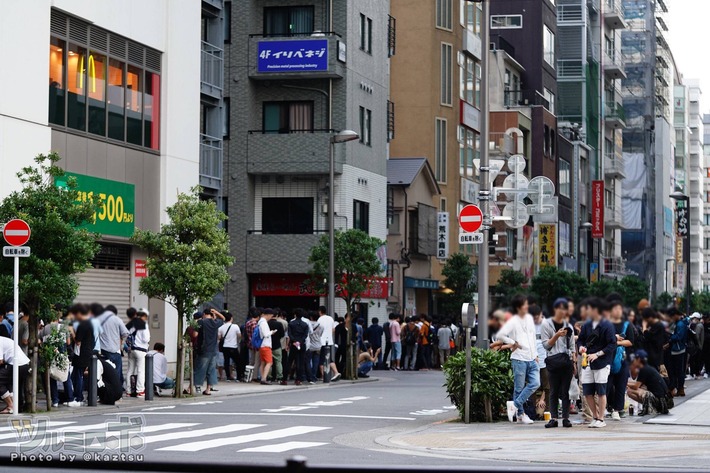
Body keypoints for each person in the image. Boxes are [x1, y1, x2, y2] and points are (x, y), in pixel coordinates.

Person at [498, 294, 540, 425]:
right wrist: (513, 342)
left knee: (536, 383)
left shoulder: (529, 318)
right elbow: (500, 335)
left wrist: (536, 354)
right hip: (519, 358)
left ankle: (514, 405)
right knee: (519, 388)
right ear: (518, 307)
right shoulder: (513, 321)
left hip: (532, 358)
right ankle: (521, 414)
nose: (527, 306)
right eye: (524, 304)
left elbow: (533, 337)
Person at [577, 298, 617, 428]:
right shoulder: (587, 325)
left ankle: (601, 418)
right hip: (587, 360)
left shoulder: (607, 325)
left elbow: (612, 344)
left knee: (601, 391)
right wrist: (580, 347)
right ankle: (595, 416)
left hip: (602, 362)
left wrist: (598, 354)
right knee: (587, 391)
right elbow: (581, 340)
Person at [541, 298, 575, 428]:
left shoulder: (569, 326)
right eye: (560, 308)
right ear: (555, 309)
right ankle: (553, 418)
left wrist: (574, 362)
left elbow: (572, 346)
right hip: (553, 361)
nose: (563, 311)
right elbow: (546, 345)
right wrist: (556, 335)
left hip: (566, 362)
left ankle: (566, 418)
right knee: (553, 390)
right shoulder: (546, 324)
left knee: (565, 391)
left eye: (565, 308)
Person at [606, 296, 635, 421]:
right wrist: (614, 338)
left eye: (620, 308)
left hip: (622, 359)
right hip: (607, 359)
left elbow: (631, 341)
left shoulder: (627, 325)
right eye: (615, 308)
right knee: (607, 385)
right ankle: (610, 407)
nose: (618, 311)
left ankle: (617, 410)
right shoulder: (606, 324)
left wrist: (617, 343)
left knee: (620, 385)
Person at [627, 350, 673, 415]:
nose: (633, 361)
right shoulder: (648, 368)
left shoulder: (643, 370)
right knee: (640, 389)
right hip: (664, 400)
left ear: (639, 359)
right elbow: (639, 385)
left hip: (659, 401)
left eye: (634, 359)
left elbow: (636, 386)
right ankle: (650, 406)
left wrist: (625, 384)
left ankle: (651, 407)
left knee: (630, 391)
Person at [95, 304, 129, 392]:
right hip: (115, 351)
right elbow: (125, 333)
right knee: (116, 373)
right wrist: (120, 340)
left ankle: (105, 390)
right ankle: (116, 391)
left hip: (103, 351)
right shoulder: (117, 319)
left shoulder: (98, 319)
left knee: (104, 372)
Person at [193, 308, 224, 394]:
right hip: (213, 350)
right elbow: (223, 318)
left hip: (204, 349)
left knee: (200, 369)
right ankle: (208, 389)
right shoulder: (215, 323)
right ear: (212, 314)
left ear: (204, 314)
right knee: (211, 370)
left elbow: (195, 334)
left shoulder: (201, 322)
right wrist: (216, 312)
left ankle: (197, 386)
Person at [0, 335, 30, 414]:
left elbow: (0, 361)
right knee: (13, 384)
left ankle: (11, 405)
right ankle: (17, 407)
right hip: (24, 364)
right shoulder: (4, 340)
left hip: (16, 364)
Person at [70, 303, 92, 406]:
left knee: (78, 375)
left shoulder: (83, 325)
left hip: (81, 353)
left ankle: (78, 397)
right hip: (86, 352)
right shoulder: (89, 323)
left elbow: (78, 341)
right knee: (77, 375)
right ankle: (78, 396)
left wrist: (72, 333)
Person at [127, 308, 151, 397]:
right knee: (141, 370)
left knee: (130, 370)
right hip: (141, 350)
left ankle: (129, 391)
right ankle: (140, 390)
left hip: (131, 349)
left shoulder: (131, 323)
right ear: (144, 316)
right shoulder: (143, 324)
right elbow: (146, 339)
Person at [531, 304, 549, 421]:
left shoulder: (546, 324)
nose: (535, 320)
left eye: (536, 317)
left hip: (545, 358)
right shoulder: (528, 324)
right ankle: (533, 408)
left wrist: (542, 399)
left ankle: (545, 408)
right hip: (532, 357)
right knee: (532, 384)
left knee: (547, 384)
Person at [667, 308, 689, 397]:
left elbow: (678, 337)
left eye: (672, 316)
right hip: (680, 349)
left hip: (678, 349)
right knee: (679, 370)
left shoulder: (680, 324)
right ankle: (680, 388)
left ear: (675, 315)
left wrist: (671, 337)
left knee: (678, 370)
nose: (672, 318)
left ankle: (680, 389)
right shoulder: (682, 323)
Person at [317, 306, 341, 382]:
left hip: (322, 342)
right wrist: (329, 335)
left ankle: (324, 376)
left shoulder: (320, 319)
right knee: (328, 358)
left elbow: (318, 330)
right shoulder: (330, 318)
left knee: (322, 360)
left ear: (320, 311)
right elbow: (333, 329)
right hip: (329, 341)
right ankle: (334, 373)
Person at [287, 308, 310, 385]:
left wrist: (294, 341)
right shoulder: (305, 324)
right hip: (302, 344)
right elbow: (305, 335)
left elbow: (289, 334)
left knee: (290, 361)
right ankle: (298, 379)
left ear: (295, 315)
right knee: (300, 362)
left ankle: (284, 379)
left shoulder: (291, 323)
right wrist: (300, 342)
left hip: (293, 344)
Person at [218, 312, 241, 381]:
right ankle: (238, 377)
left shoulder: (221, 328)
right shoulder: (235, 326)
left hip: (225, 347)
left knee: (226, 362)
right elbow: (239, 335)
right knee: (238, 362)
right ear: (231, 318)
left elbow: (219, 337)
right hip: (233, 346)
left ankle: (228, 377)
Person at [257, 309, 277, 385]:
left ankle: (262, 377)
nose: (271, 318)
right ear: (268, 314)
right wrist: (272, 332)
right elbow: (266, 334)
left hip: (261, 345)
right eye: (271, 316)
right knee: (269, 362)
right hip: (265, 345)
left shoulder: (260, 322)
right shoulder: (264, 323)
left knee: (263, 362)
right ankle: (264, 378)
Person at [306, 311, 323, 384]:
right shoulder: (321, 326)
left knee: (308, 362)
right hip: (318, 345)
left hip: (310, 345)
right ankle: (314, 376)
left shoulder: (307, 325)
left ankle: (309, 377)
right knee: (316, 362)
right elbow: (320, 334)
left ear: (311, 317)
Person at [688, 313, 705, 379]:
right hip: (698, 346)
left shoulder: (698, 326)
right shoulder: (699, 325)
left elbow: (696, 336)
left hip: (697, 346)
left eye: (693, 318)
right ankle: (695, 373)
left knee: (694, 360)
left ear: (696, 319)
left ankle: (694, 373)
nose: (692, 320)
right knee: (696, 360)